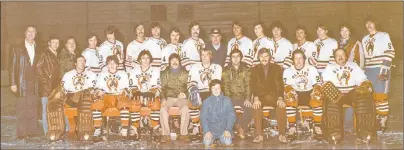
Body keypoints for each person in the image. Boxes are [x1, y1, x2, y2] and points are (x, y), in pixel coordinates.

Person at [321, 48, 376, 144]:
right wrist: (335, 93)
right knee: (331, 102)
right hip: (336, 93)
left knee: (364, 98)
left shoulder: (353, 65)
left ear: (346, 56)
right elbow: (325, 83)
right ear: (334, 58)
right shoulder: (329, 67)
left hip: (352, 93)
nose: (340, 57)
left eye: (342, 54)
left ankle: (365, 132)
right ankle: (334, 133)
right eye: (338, 55)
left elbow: (362, 79)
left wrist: (365, 85)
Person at [46, 55, 97, 141]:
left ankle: (85, 130)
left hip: (85, 98)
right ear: (75, 63)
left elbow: (93, 89)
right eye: (80, 61)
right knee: (54, 102)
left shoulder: (91, 74)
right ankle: (56, 130)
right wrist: (59, 94)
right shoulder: (68, 74)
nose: (82, 63)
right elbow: (64, 88)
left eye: (84, 61)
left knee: (86, 99)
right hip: (71, 98)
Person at [361, 17, 395, 133]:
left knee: (381, 96)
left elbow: (390, 52)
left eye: (371, 22)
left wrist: (384, 69)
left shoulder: (384, 35)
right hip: (368, 70)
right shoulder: (364, 39)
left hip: (380, 68)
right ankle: (376, 119)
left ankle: (382, 121)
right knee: (371, 96)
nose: (369, 25)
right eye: (367, 23)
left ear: (376, 24)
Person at [283, 50, 323, 141]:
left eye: (300, 58)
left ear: (304, 59)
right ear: (293, 60)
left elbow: (318, 84)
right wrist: (290, 91)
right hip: (295, 94)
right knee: (290, 97)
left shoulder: (312, 68)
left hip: (308, 92)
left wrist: (316, 90)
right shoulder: (288, 71)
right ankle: (292, 127)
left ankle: (317, 127)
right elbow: (286, 86)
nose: (298, 61)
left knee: (317, 95)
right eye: (296, 58)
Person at [9, 26, 40, 139]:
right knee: (22, 108)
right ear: (25, 33)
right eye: (28, 31)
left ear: (36, 34)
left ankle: (32, 131)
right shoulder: (17, 48)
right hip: (22, 82)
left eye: (33, 31)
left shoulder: (38, 48)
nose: (30, 33)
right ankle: (21, 133)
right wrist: (13, 83)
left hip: (34, 82)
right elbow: (12, 67)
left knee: (32, 106)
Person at [250, 48, 287, 143]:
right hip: (261, 97)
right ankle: (259, 135)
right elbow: (254, 85)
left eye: (266, 56)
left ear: (270, 57)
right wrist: (256, 98)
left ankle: (282, 134)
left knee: (281, 106)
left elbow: (279, 84)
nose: (264, 58)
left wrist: (280, 98)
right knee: (256, 106)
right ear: (258, 57)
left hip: (274, 96)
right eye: (261, 56)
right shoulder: (254, 69)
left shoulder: (277, 68)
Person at [91, 55, 130, 141]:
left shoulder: (123, 74)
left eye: (114, 63)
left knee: (125, 102)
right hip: (106, 97)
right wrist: (99, 92)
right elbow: (97, 88)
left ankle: (124, 129)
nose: (112, 65)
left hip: (118, 96)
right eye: (109, 63)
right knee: (96, 104)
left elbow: (127, 88)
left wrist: (123, 92)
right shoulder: (102, 74)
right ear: (107, 65)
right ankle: (97, 129)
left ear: (117, 64)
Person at [187, 48, 222, 142]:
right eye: (202, 55)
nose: (205, 57)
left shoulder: (217, 67)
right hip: (199, 92)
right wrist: (194, 90)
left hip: (212, 92)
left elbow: (217, 84)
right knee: (192, 101)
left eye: (207, 54)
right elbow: (190, 82)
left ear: (211, 56)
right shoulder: (195, 67)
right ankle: (196, 127)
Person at [128, 50, 162, 142]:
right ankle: (135, 129)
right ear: (139, 60)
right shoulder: (134, 71)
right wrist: (136, 92)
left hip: (149, 96)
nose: (145, 60)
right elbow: (131, 86)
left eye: (147, 58)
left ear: (150, 59)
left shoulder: (155, 71)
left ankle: (155, 128)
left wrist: (152, 92)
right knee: (134, 103)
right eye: (143, 58)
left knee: (155, 103)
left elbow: (158, 86)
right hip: (138, 96)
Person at [221, 48, 252, 139]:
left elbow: (248, 85)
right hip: (231, 97)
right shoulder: (226, 70)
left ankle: (241, 128)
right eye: (233, 57)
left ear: (241, 57)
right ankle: (239, 128)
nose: (235, 59)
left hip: (243, 97)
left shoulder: (246, 69)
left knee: (248, 107)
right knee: (230, 108)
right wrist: (228, 99)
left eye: (237, 56)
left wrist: (247, 98)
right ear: (230, 58)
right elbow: (225, 86)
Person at [160, 53, 190, 142]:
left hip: (181, 98)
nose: (174, 62)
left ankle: (184, 134)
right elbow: (162, 88)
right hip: (169, 97)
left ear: (179, 62)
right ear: (169, 62)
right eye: (172, 60)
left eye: (176, 60)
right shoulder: (165, 73)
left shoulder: (186, 73)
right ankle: (165, 134)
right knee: (163, 109)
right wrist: (163, 98)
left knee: (185, 108)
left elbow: (190, 87)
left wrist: (185, 94)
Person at [36, 35, 62, 136]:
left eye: (57, 43)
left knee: (53, 109)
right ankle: (47, 131)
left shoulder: (56, 54)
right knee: (45, 109)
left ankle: (54, 129)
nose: (56, 45)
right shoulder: (45, 53)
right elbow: (38, 67)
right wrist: (46, 80)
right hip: (46, 87)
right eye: (53, 42)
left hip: (55, 87)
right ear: (49, 43)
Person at [200, 79, 236, 147]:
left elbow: (232, 116)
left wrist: (228, 129)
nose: (216, 90)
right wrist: (207, 131)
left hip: (224, 129)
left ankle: (220, 140)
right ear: (210, 89)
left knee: (228, 142)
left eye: (218, 88)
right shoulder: (206, 102)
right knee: (207, 143)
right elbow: (203, 118)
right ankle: (214, 139)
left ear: (221, 89)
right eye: (214, 88)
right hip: (211, 130)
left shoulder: (227, 100)